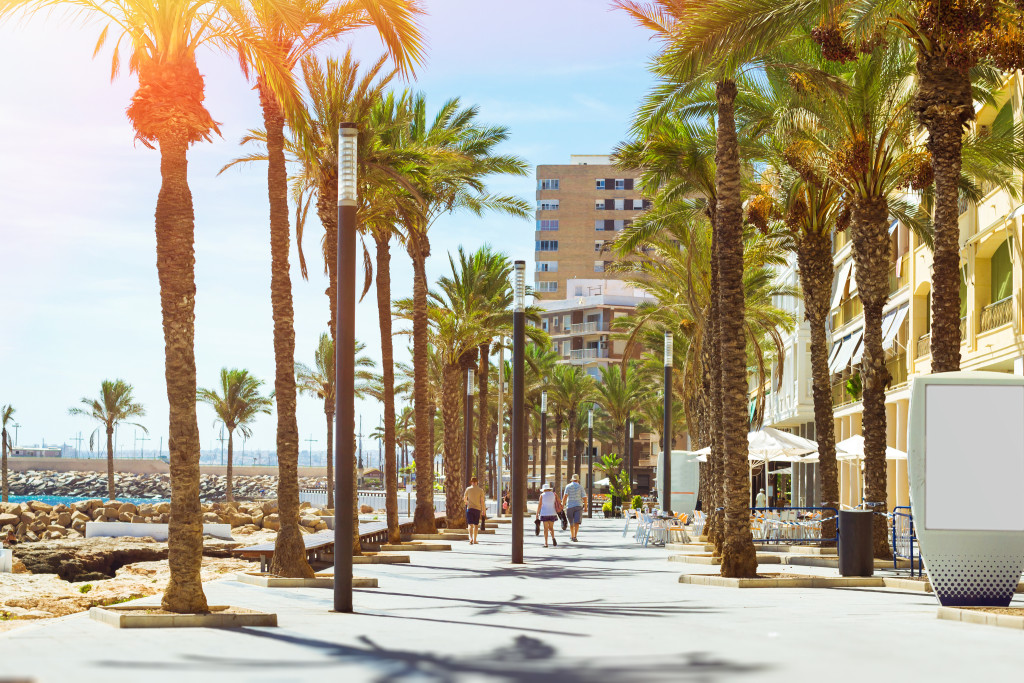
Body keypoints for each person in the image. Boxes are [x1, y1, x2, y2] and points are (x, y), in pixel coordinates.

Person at [562, 473, 587, 542]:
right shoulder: (580, 487)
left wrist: (562, 505)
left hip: (570, 506)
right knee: (577, 522)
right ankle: (575, 536)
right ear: (578, 480)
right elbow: (585, 497)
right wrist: (586, 507)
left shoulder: (568, 486)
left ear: (572, 480)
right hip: (579, 506)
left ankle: (572, 535)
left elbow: (565, 497)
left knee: (571, 523)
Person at [536, 482, 561, 547]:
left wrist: (537, 514)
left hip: (544, 513)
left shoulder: (542, 495)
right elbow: (559, 501)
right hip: (552, 513)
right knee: (551, 528)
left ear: (544, 489)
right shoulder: (554, 494)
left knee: (545, 528)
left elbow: (539, 505)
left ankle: (546, 543)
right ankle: (553, 538)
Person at [463, 476, 485, 545]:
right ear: (477, 482)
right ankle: (475, 540)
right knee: (476, 525)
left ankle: (471, 538)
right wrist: (483, 510)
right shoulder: (480, 490)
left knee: (470, 524)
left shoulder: (468, 489)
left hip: (469, 509)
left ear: (471, 482)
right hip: (477, 509)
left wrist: (467, 502)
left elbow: (464, 499)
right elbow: (482, 501)